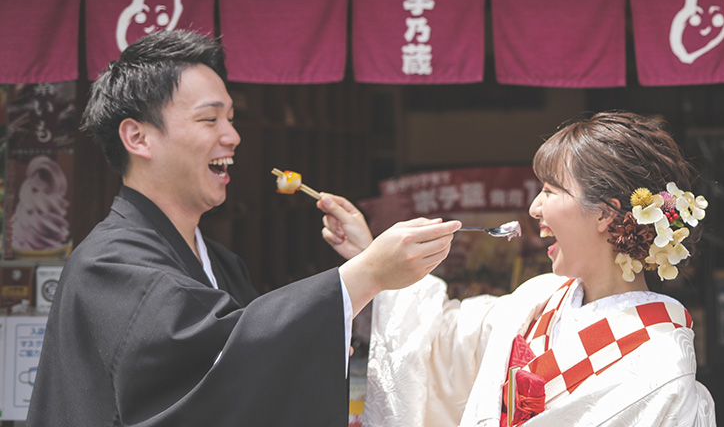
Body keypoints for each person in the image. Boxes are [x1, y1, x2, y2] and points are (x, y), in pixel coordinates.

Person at [28, 30, 460, 427]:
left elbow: (252, 371)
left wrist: (313, 342)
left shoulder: (219, 261)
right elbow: (206, 372)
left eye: (231, 118)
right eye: (209, 119)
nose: (232, 136)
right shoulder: (106, 266)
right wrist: (365, 275)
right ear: (138, 138)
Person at [321, 111, 717, 426]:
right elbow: (440, 338)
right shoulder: (539, 297)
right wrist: (370, 258)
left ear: (605, 214)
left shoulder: (664, 365)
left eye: (550, 191)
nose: (534, 210)